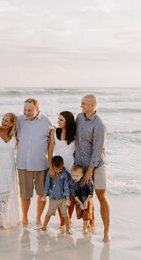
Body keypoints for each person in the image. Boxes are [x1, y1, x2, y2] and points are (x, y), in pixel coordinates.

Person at [75, 94, 111, 242]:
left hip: (97, 165)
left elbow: (97, 150)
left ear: (93, 105)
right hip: (81, 163)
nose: (81, 105)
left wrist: (90, 170)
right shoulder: (79, 117)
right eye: (81, 103)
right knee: (86, 195)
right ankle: (91, 220)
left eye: (84, 103)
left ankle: (106, 231)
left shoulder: (99, 125)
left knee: (101, 196)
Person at [17, 98, 52, 225]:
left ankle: (38, 217)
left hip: (41, 164)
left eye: (30, 110)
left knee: (42, 194)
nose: (26, 112)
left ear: (37, 110)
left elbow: (54, 138)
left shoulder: (46, 121)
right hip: (23, 164)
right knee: (25, 194)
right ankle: (25, 218)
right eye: (25, 109)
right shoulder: (19, 120)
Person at [0, 113, 19, 228]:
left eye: (7, 121)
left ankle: (3, 217)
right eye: (3, 119)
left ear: (12, 124)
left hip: (10, 166)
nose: (3, 122)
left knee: (7, 192)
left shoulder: (15, 135)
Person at [48, 111, 76, 227]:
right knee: (60, 196)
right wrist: (51, 168)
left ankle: (68, 219)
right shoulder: (54, 132)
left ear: (67, 122)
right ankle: (62, 220)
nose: (58, 122)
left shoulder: (75, 134)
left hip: (71, 168)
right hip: (58, 168)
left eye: (61, 120)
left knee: (71, 197)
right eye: (58, 119)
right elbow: (49, 152)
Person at [40, 156, 72, 234]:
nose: (58, 171)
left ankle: (68, 230)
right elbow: (47, 184)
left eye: (60, 169)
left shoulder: (65, 174)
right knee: (49, 213)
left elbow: (66, 186)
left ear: (62, 165)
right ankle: (44, 226)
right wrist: (44, 194)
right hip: (53, 197)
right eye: (56, 169)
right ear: (53, 167)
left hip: (62, 198)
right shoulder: (50, 172)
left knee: (65, 214)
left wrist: (68, 198)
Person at [69, 165, 94, 234]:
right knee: (80, 213)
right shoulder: (72, 182)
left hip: (87, 199)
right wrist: (80, 203)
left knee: (86, 213)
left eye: (77, 176)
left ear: (82, 174)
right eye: (73, 175)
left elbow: (91, 192)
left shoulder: (86, 180)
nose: (75, 178)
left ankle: (85, 228)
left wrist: (86, 201)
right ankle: (87, 224)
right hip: (78, 200)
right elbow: (74, 195)